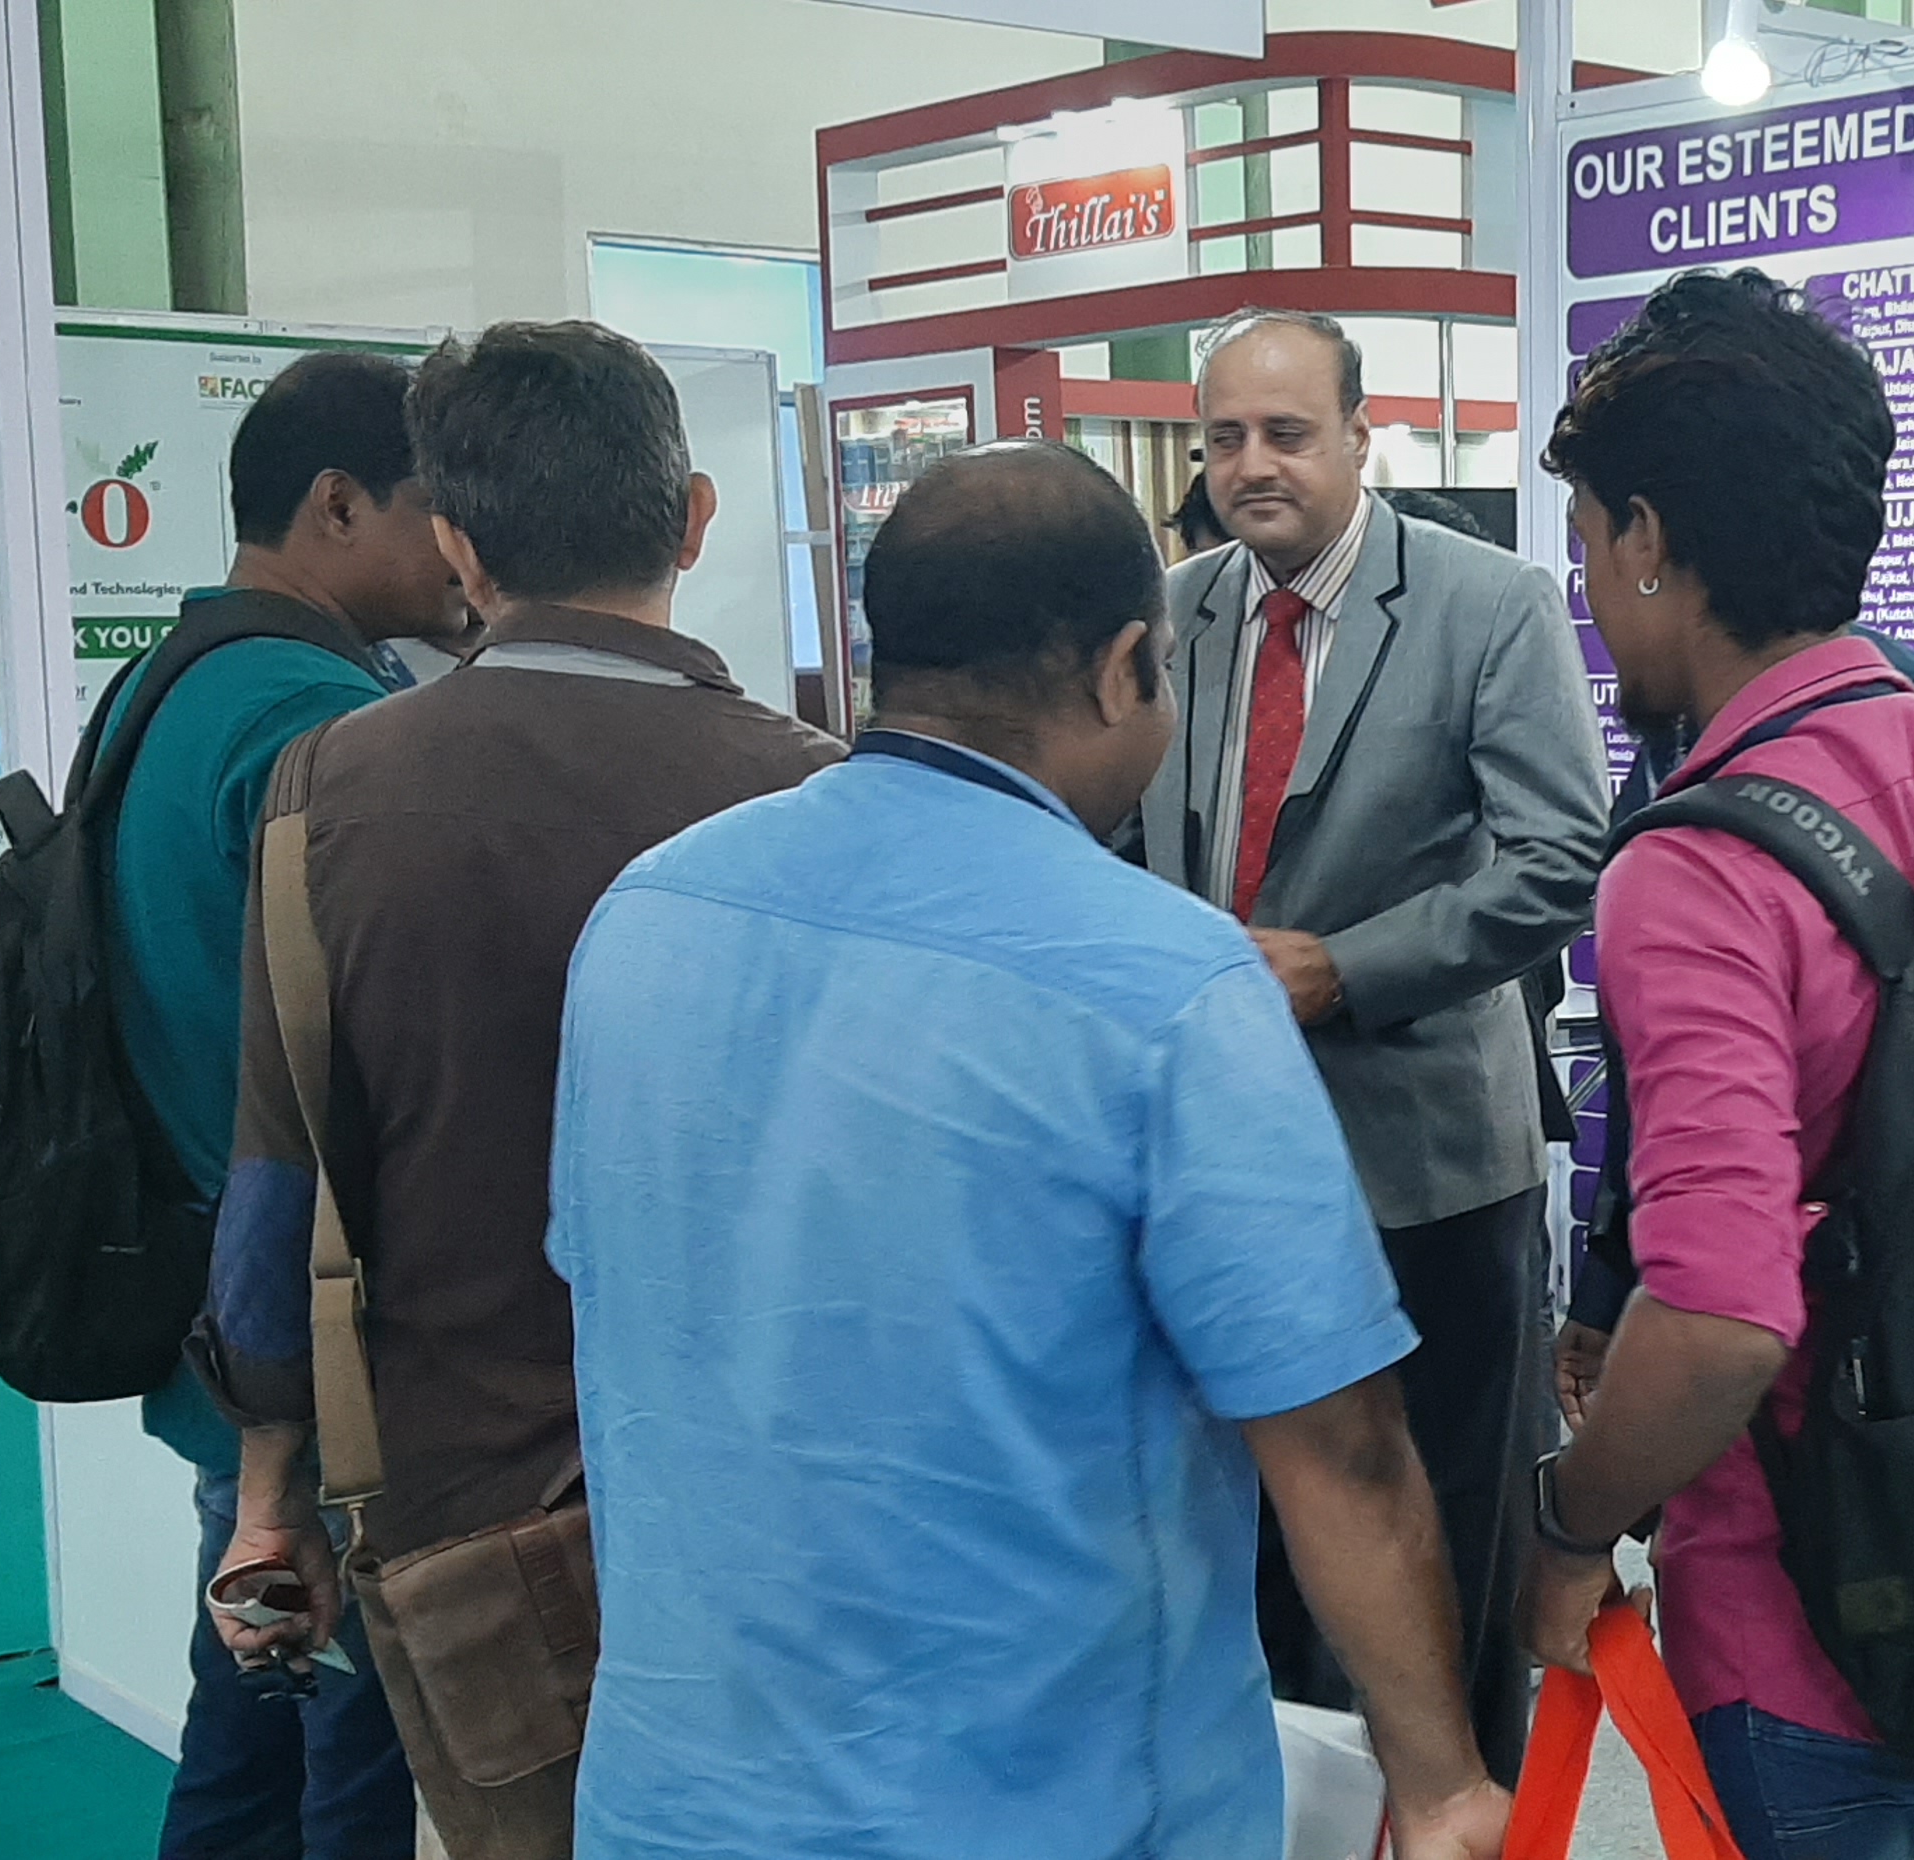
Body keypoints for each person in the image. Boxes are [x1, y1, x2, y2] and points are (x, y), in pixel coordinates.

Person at [544, 439, 1511, 1860]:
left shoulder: (650, 911)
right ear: (1126, 669)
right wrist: (1440, 1785)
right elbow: (1340, 1450)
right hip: (1049, 1806)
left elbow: (626, 1291)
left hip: (678, 1798)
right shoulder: (1166, 983)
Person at [1515, 269, 1914, 1860]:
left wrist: (1570, 1523)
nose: (1591, 590)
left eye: (1589, 543)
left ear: (1648, 537)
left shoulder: (1695, 869)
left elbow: (1723, 1318)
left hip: (1796, 1623)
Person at [192, 321, 842, 1857]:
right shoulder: (820, 791)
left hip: (469, 1519)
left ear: (460, 546)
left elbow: (282, 1179)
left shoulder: (330, 790)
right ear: (694, 517)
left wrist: (271, 1488)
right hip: (777, 1492)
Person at [1129, 307, 1611, 1775]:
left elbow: (1561, 859)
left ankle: (1460, 1808)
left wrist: (1347, 971)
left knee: (1445, 1530)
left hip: (1426, 1164)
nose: (1250, 466)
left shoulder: (1488, 603)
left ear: (1358, 435)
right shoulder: (1174, 611)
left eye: (1286, 434)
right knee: (1258, 1529)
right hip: (1214, 1157)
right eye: (1224, 438)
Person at [106, 347, 461, 1860]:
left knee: (250, 1739)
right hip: (319, 1346)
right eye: (438, 505)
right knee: (349, 1767)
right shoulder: (315, 720)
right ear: (337, 505)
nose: (464, 547)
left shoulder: (171, 679)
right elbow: (348, 1061)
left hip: (232, 1317)